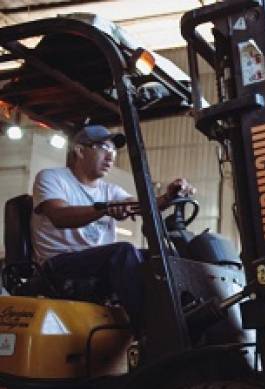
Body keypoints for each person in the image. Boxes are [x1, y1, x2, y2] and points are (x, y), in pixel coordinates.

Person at [30, 124, 195, 329]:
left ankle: (186, 318)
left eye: (114, 151)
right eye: (104, 148)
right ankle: (148, 331)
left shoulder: (110, 190)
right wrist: (105, 209)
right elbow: (59, 216)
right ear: (80, 150)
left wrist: (169, 196)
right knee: (123, 252)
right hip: (59, 266)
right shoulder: (52, 178)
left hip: (98, 265)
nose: (111, 157)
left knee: (159, 255)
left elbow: (142, 207)